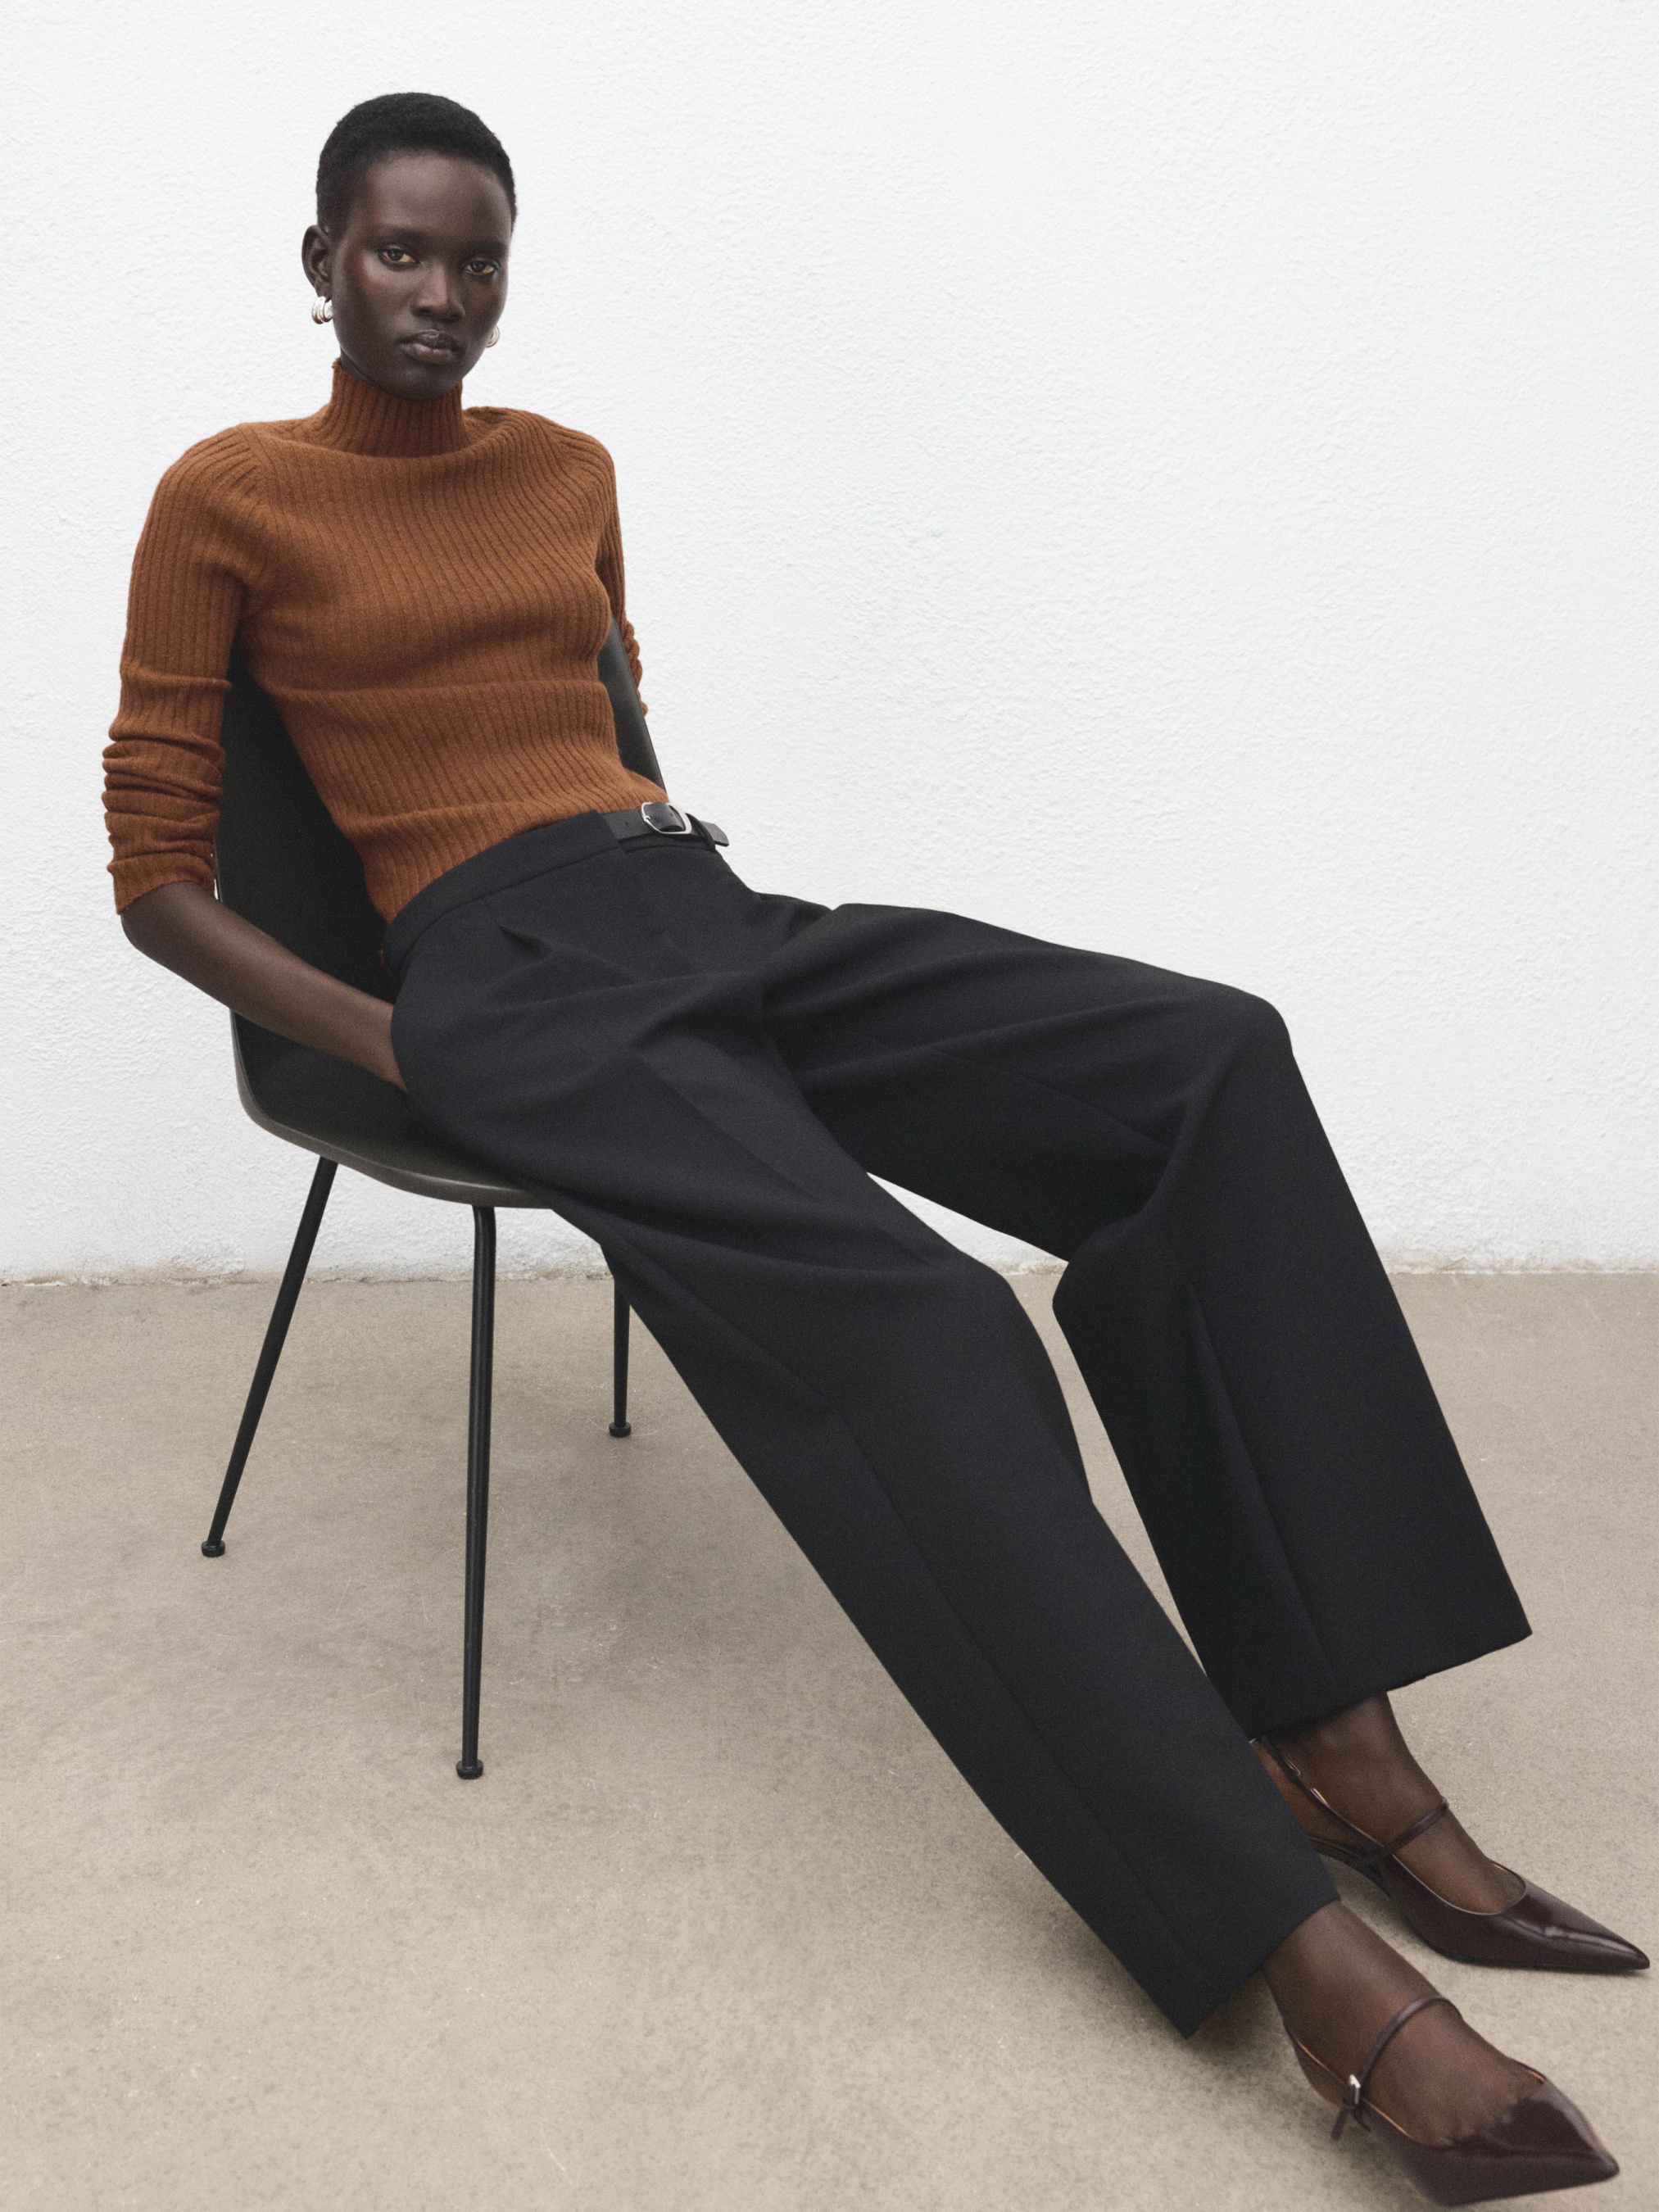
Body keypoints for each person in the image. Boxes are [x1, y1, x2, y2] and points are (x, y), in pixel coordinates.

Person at [104, 92, 1643, 2205]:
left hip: (695, 908)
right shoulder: (227, 497)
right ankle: (1308, 1964)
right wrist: (413, 1049)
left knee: (1203, 1063)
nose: (439, 296)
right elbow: (158, 879)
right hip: (499, 982)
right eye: (397, 253)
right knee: (933, 1334)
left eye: (476, 260)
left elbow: (613, 731)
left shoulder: (567, 470)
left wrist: (689, 910)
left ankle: (1327, 1726)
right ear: (319, 262)